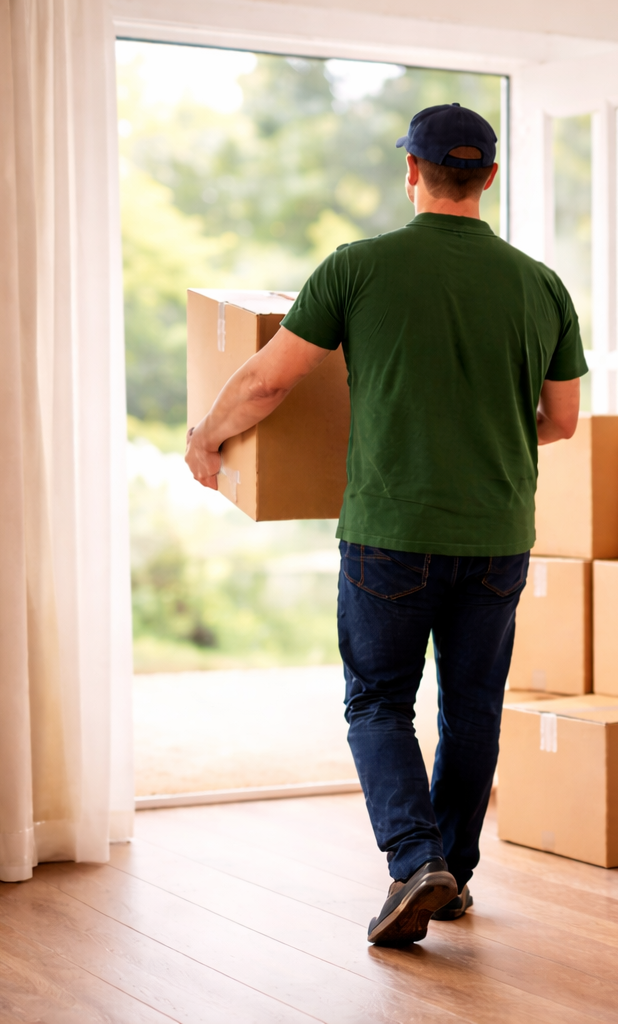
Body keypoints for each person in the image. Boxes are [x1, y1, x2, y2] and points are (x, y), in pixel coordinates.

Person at [184, 103, 586, 946]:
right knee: (472, 709)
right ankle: (454, 873)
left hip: (389, 532)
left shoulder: (358, 268)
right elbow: (560, 420)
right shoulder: (541, 284)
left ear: (412, 170)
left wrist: (206, 437)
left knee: (377, 702)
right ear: (490, 178)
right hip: (499, 534)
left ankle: (415, 861)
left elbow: (267, 384)